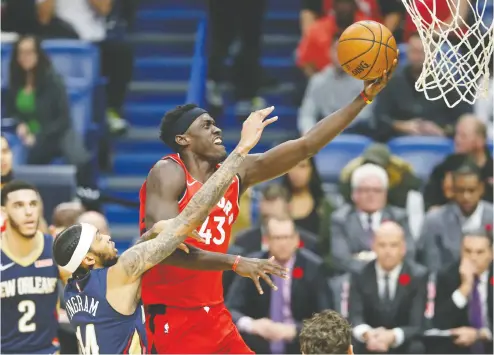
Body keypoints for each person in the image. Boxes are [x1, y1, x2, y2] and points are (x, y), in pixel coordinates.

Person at [140, 61, 397, 353]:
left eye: (215, 122)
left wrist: (363, 98)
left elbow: (306, 145)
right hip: (171, 311)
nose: (217, 129)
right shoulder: (167, 172)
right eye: (206, 125)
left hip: (213, 312)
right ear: (183, 139)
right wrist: (234, 262)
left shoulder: (237, 173)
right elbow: (164, 250)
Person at [52, 107, 288, 354]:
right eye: (98, 238)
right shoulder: (120, 273)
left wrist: (149, 234)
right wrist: (241, 150)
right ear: (88, 258)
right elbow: (185, 223)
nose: (108, 236)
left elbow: (134, 255)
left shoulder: (73, 292)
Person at [0, 180, 69, 354]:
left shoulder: (55, 248)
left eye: (33, 204)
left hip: (47, 350)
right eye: (18, 205)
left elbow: (84, 298)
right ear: (3, 211)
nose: (28, 212)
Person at [432, 228, 493, 354]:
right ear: (461, 251)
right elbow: (439, 323)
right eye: (468, 251)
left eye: (480, 252)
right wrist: (464, 288)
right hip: (459, 348)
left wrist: (480, 334)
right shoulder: (447, 276)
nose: (473, 257)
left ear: (491, 253)